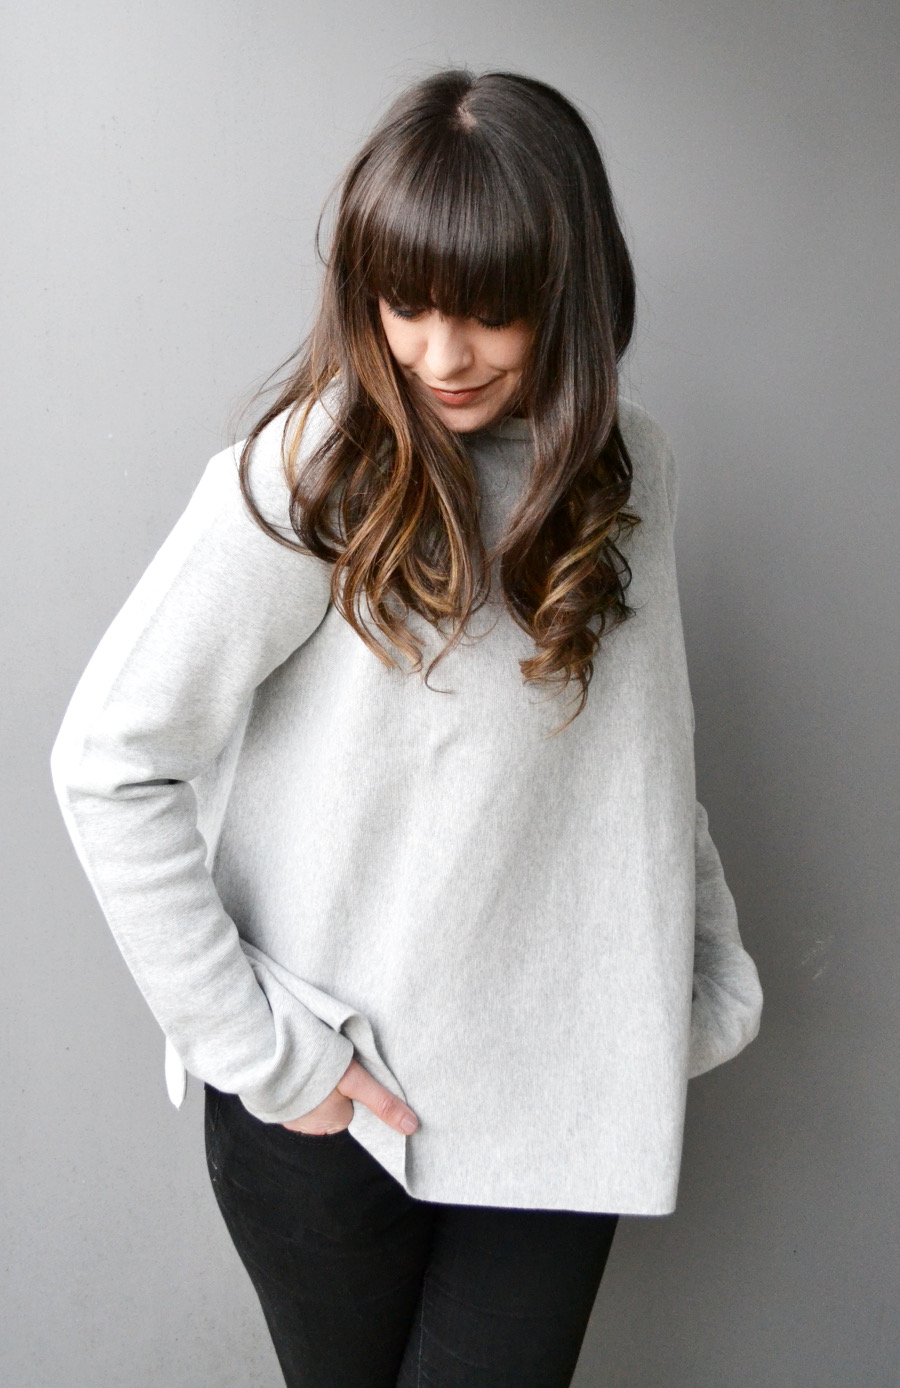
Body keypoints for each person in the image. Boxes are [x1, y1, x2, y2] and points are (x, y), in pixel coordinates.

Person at [51, 68, 763, 1388]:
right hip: (338, 1118)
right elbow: (109, 764)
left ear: (570, 290)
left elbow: (645, 760)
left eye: (491, 310)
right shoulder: (315, 470)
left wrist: (694, 976)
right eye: (408, 303)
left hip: (556, 1101)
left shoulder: (633, 469)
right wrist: (268, 1058)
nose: (443, 354)